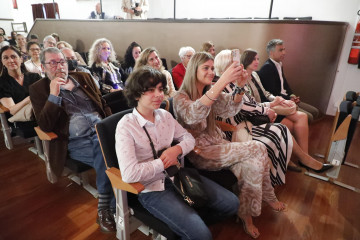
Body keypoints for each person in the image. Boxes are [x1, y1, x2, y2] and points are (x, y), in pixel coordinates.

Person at [115, 66, 239, 240]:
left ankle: (191, 226)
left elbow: (188, 138)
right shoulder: (126, 126)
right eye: (150, 90)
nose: (158, 95)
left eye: (160, 89)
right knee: (203, 235)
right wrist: (164, 161)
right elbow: (129, 174)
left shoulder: (164, 116)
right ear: (136, 95)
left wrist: (177, 149)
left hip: (178, 176)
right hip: (152, 189)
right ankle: (193, 228)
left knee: (232, 203)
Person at [173, 51, 284, 239]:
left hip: (218, 143)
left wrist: (240, 86)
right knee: (258, 147)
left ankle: (245, 216)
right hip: (201, 152)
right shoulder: (180, 98)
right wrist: (222, 81)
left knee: (253, 164)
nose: (210, 72)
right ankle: (268, 195)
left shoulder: (208, 92)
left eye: (212, 68)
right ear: (193, 70)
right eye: (206, 68)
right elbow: (194, 114)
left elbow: (230, 107)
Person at [29, 47, 116, 233]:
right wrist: (54, 96)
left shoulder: (83, 78)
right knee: (110, 155)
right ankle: (108, 206)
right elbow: (44, 126)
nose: (59, 66)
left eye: (62, 61)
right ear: (43, 67)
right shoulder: (39, 89)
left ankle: (114, 206)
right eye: (52, 62)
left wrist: (112, 124)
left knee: (112, 150)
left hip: (102, 131)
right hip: (76, 142)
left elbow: (102, 104)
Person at [215, 49, 333, 179]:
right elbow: (245, 107)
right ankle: (302, 160)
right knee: (283, 128)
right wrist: (269, 108)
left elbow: (253, 102)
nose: (239, 68)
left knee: (287, 125)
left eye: (237, 65)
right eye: (235, 65)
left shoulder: (240, 82)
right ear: (225, 67)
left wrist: (273, 103)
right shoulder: (224, 86)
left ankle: (299, 160)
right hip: (237, 128)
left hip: (249, 120)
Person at [258, 39, 320, 122]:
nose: (284, 53)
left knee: (315, 112)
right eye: (280, 50)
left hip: (287, 97)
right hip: (279, 100)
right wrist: (289, 99)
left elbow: (285, 83)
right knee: (309, 117)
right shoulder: (267, 68)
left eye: (284, 49)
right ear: (271, 53)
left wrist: (292, 95)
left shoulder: (279, 64)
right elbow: (273, 92)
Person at [0, 46, 41, 116]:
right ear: (2, 62)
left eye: (13, 57)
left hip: (40, 114)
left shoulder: (35, 77)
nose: (10, 60)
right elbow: (12, 110)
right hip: (20, 121)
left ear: (21, 59)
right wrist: (29, 99)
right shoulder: (2, 83)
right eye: (6, 58)